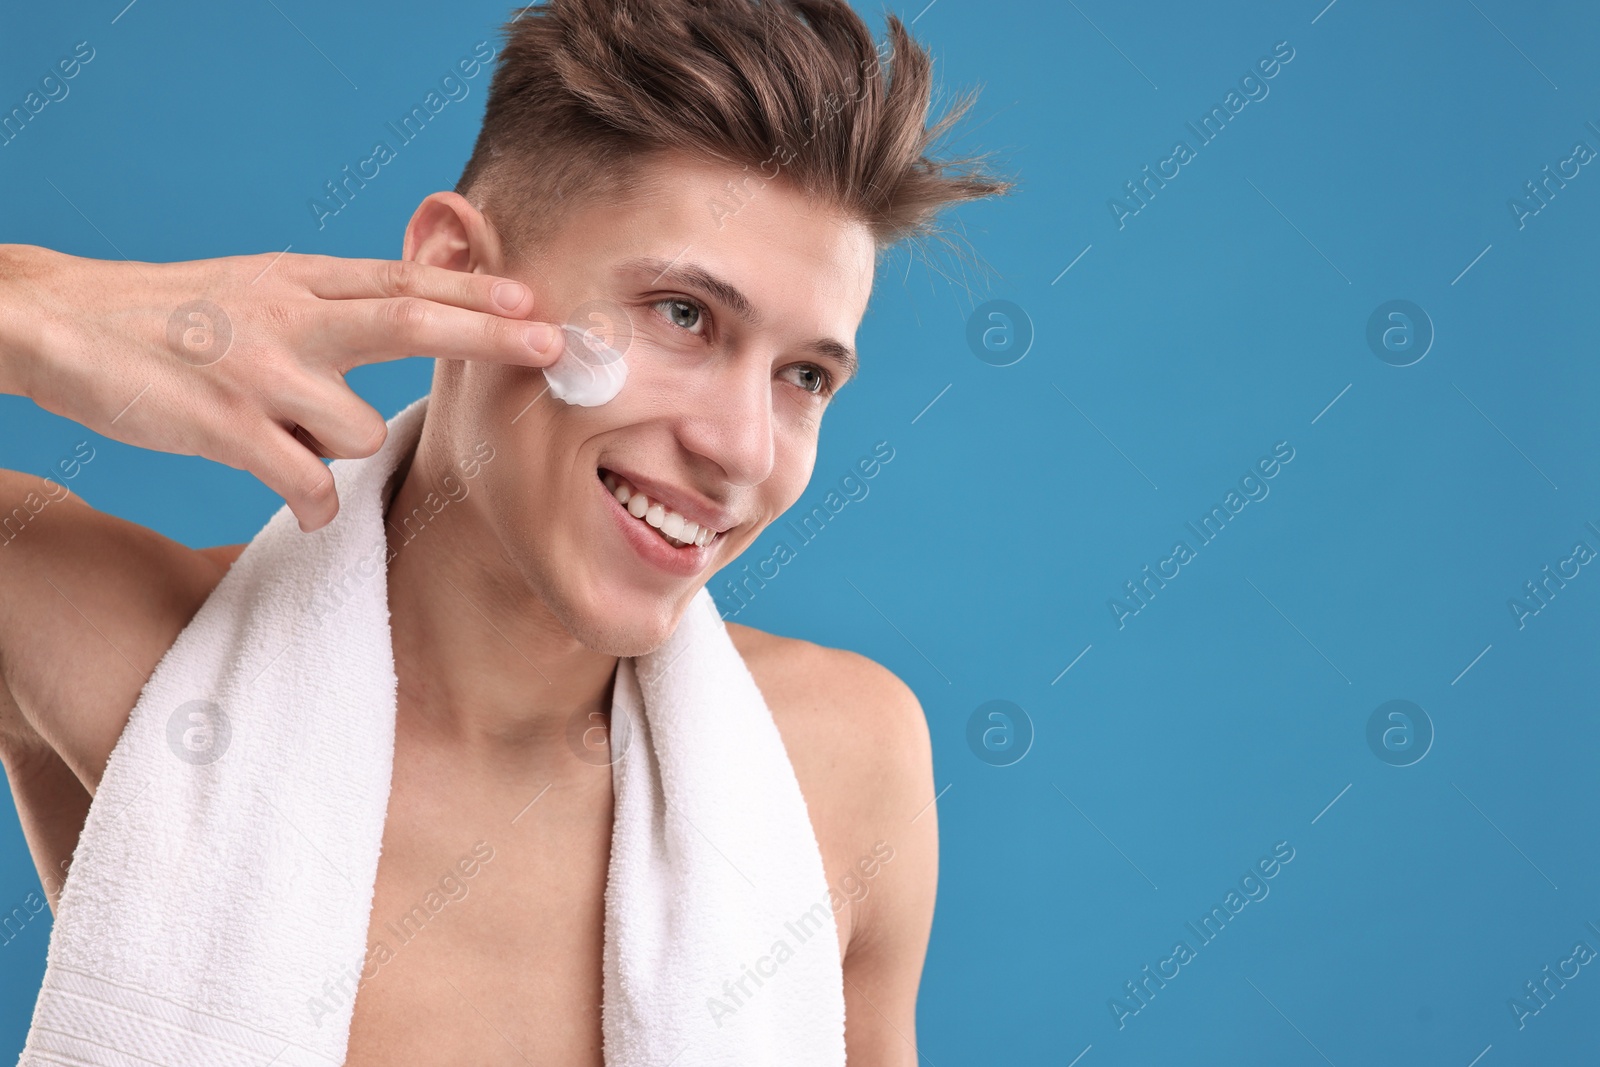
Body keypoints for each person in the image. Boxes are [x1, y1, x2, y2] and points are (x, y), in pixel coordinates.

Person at [0, 0, 1012, 1062]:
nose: (744, 449)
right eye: (682, 313)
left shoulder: (844, 764)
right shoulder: (115, 642)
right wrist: (45, 309)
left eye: (805, 375)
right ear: (454, 268)